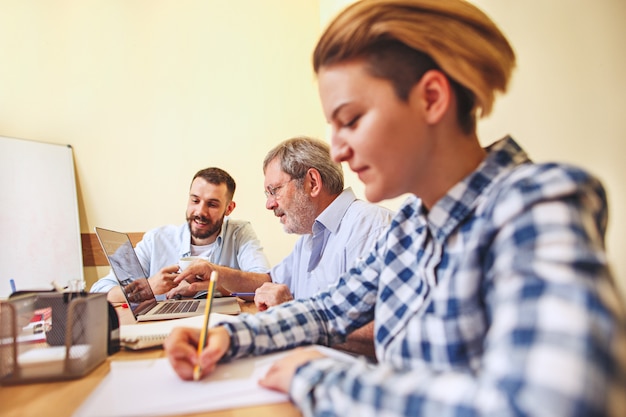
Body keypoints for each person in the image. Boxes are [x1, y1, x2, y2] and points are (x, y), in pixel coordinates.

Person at [164, 1, 626, 416]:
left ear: (431, 98)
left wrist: (317, 378)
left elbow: (549, 403)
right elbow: (327, 311)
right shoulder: (411, 225)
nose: (339, 152)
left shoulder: (536, 204)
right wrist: (230, 338)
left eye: (351, 120)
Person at [171, 136, 393, 356]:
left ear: (313, 183)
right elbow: (268, 282)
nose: (269, 204)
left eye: (274, 190)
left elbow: (391, 332)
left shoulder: (371, 228)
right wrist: (215, 273)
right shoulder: (309, 238)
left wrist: (293, 312)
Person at [91, 167, 270, 302]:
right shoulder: (156, 240)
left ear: (229, 208)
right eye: (195, 200)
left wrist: (219, 287)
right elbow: (100, 291)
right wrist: (148, 288)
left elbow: (264, 284)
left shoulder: (240, 233)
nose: (200, 211)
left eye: (212, 204)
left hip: (220, 328)